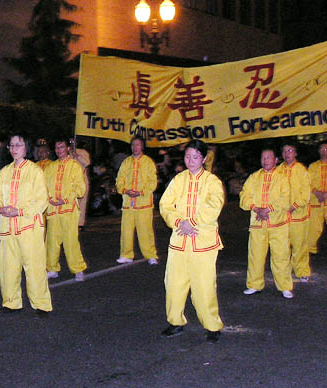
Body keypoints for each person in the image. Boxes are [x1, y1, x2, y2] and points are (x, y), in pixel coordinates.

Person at [159, 140, 224, 341]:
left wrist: (193, 222)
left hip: (202, 241)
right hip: (179, 239)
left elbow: (214, 205)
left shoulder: (212, 181)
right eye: (187, 156)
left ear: (203, 159)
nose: (191, 160)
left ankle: (212, 326)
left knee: (204, 286)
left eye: (195, 157)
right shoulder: (178, 179)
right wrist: (179, 222)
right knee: (173, 283)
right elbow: (165, 204)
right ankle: (175, 321)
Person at [0, 133, 52, 315]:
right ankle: (11, 302)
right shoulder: (4, 172)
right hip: (8, 228)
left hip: (29, 228)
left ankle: (41, 304)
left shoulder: (35, 172)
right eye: (12, 145)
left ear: (26, 148)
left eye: (19, 145)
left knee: (34, 267)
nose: (15, 148)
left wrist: (20, 211)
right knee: (8, 267)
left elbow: (41, 200)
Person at [240, 148, 294, 299]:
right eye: (263, 158)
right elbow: (244, 196)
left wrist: (268, 209)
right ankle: (254, 284)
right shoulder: (254, 177)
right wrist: (256, 208)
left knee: (281, 256)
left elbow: (286, 199)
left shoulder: (283, 177)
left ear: (276, 160)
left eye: (269, 157)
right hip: (258, 224)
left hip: (278, 224)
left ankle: (284, 286)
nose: (265, 160)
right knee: (255, 255)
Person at [45, 138, 88, 282]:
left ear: (68, 148)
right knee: (51, 241)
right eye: (57, 147)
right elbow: (43, 186)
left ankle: (78, 269)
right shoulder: (50, 167)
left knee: (70, 241)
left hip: (69, 210)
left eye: (61, 147)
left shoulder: (74, 166)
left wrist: (65, 199)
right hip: (53, 209)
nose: (59, 150)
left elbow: (80, 189)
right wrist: (49, 198)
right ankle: (52, 268)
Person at [115, 136, 158, 265]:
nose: (135, 147)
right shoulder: (126, 162)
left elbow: (152, 181)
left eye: (138, 145)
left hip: (143, 203)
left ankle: (150, 255)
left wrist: (141, 192)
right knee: (126, 231)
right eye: (133, 145)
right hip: (128, 203)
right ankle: (126, 254)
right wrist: (125, 190)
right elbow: (119, 179)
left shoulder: (148, 162)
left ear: (142, 146)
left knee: (145, 231)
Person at [277, 142, 311, 282]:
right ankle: (283, 271)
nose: (287, 154)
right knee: (282, 246)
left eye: (290, 150)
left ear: (295, 153)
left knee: (299, 245)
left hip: (298, 215)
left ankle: (301, 270)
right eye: (285, 151)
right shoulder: (277, 170)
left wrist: (294, 206)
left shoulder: (302, 170)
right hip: (282, 215)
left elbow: (306, 193)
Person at [70, 137, 91, 228]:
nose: (71, 143)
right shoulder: (66, 153)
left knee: (82, 202)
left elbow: (87, 162)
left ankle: (80, 223)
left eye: (73, 141)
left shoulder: (82, 152)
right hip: (70, 180)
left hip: (82, 179)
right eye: (70, 141)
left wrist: (77, 155)